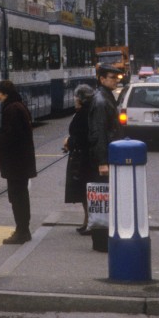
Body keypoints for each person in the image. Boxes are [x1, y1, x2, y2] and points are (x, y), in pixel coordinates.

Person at [0, 79, 38, 244]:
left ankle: (22, 232)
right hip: (20, 161)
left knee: (18, 197)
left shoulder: (12, 109)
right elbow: (12, 131)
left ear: (4, 93)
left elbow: (11, 138)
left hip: (16, 162)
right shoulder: (17, 106)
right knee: (19, 196)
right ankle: (23, 230)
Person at [62, 84, 95, 234]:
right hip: (83, 156)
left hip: (83, 158)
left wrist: (69, 142)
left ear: (81, 99)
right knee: (85, 191)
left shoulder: (84, 114)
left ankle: (90, 222)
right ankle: (87, 220)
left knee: (85, 190)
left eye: (76, 97)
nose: (74, 100)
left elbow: (82, 136)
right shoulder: (85, 112)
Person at [88, 63, 122, 183]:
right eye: (112, 77)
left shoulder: (106, 96)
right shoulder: (101, 101)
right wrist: (102, 162)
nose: (116, 81)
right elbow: (100, 131)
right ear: (102, 79)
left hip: (111, 151)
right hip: (106, 155)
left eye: (117, 78)